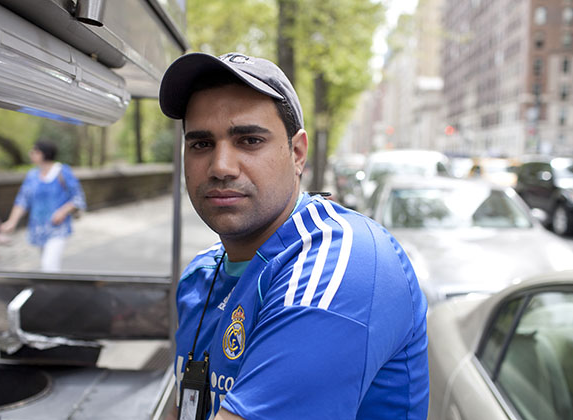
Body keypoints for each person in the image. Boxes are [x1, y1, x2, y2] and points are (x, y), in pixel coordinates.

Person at [159, 52, 429, 420]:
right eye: (201, 144)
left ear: (298, 153)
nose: (221, 166)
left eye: (250, 140)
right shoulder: (199, 277)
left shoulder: (345, 261)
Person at [1, 140, 86, 272]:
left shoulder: (63, 172)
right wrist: (12, 221)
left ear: (44, 154)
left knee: (49, 266)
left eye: (34, 152)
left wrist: (62, 211)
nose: (31, 154)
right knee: (46, 263)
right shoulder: (32, 175)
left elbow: (78, 198)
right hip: (38, 229)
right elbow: (22, 200)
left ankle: (52, 291)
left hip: (57, 228)